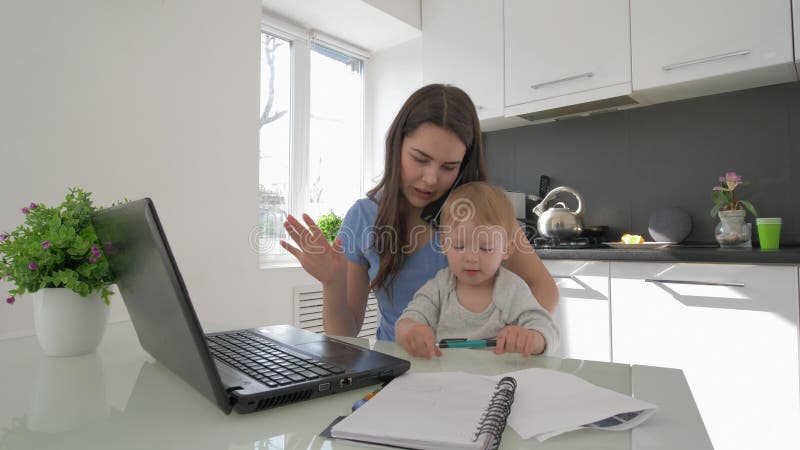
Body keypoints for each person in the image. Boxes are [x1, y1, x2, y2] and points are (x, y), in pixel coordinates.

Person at [281, 84, 558, 341]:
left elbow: (545, 288)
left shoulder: (479, 212)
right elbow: (346, 334)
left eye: (448, 167)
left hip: (474, 373)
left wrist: (516, 333)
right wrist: (332, 283)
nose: (430, 179)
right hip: (397, 374)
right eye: (419, 159)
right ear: (397, 145)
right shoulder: (364, 218)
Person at [395, 182, 559, 358]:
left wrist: (533, 338)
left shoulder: (511, 289)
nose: (471, 258)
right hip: (445, 380)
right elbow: (407, 320)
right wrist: (410, 330)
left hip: (497, 382)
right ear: (444, 244)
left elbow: (547, 330)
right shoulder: (439, 287)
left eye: (485, 248)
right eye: (459, 246)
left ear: (507, 249)